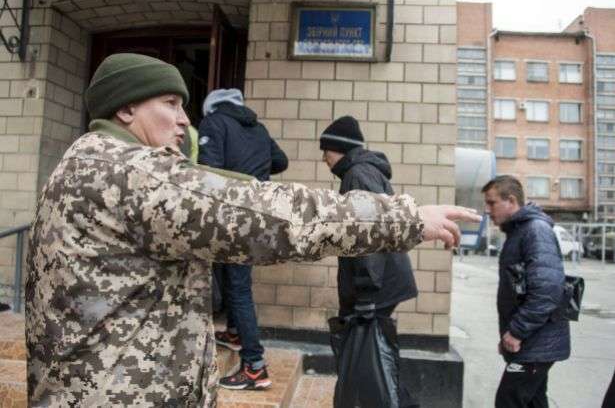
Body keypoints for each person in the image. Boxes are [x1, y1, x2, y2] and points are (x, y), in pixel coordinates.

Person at [25, 52, 481, 407]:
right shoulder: (130, 170)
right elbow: (267, 215)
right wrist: (405, 219)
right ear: (126, 108)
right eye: (170, 104)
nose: (184, 120)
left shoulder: (90, 161)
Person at [320, 116, 419, 407]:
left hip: (376, 286)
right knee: (374, 360)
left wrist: (366, 294)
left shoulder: (357, 175)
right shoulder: (364, 171)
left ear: (340, 148)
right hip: (383, 283)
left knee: (372, 363)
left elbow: (368, 236)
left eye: (326, 150)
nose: (324, 158)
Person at [197, 88, 288, 390]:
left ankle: (254, 367)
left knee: (238, 287)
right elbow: (281, 161)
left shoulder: (213, 123)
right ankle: (234, 332)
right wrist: (254, 171)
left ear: (211, 107)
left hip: (231, 215)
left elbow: (208, 170)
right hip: (257, 215)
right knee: (232, 277)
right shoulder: (258, 128)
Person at [482, 175, 570, 408]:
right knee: (533, 402)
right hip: (534, 342)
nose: (487, 210)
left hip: (536, 342)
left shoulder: (535, 230)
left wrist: (516, 332)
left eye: (492, 203)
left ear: (511, 201)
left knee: (508, 400)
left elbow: (547, 290)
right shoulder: (520, 231)